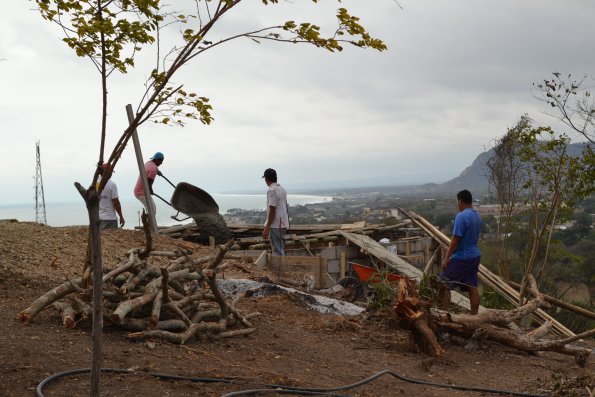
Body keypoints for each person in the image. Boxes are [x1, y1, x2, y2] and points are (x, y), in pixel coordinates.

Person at [439, 189, 482, 315]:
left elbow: (455, 239)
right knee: (472, 287)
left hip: (463, 257)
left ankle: (444, 316)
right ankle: (474, 318)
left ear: (461, 201)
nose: (457, 204)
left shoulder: (461, 216)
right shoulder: (476, 216)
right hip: (475, 256)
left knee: (443, 283)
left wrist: (447, 258)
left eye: (457, 201)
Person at [262, 168, 289, 256]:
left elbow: (272, 210)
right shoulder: (282, 189)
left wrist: (267, 227)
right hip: (283, 224)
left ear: (266, 179)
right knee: (281, 249)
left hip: (275, 226)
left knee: (278, 252)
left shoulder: (271, 191)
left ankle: (279, 269)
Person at [133, 151, 164, 216]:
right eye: (161, 161)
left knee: (150, 208)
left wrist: (158, 172)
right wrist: (151, 191)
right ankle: (149, 224)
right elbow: (148, 183)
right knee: (152, 209)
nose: (161, 163)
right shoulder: (154, 169)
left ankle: (148, 223)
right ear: (157, 160)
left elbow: (152, 169)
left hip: (138, 190)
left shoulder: (149, 163)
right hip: (141, 192)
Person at [97, 163, 125, 230]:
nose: (111, 174)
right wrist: (121, 216)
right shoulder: (111, 184)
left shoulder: (94, 183)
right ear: (108, 172)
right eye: (111, 172)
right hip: (109, 218)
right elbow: (116, 203)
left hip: (97, 218)